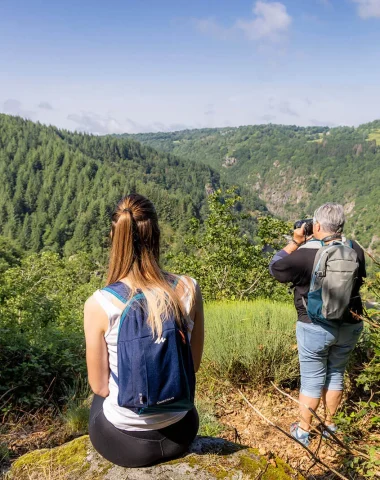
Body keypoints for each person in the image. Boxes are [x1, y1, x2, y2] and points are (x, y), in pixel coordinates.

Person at [84, 193, 204, 467]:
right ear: (156, 235)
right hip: (181, 430)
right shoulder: (188, 288)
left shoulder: (99, 304)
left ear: (116, 240)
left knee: (98, 398)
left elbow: (100, 386)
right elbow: (192, 365)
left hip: (125, 444)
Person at [269, 203, 365, 446]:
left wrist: (296, 241)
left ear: (317, 226)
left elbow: (275, 267)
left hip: (315, 325)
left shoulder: (304, 255)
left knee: (312, 379)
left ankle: (303, 431)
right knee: (336, 374)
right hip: (350, 324)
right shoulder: (355, 249)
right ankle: (330, 427)